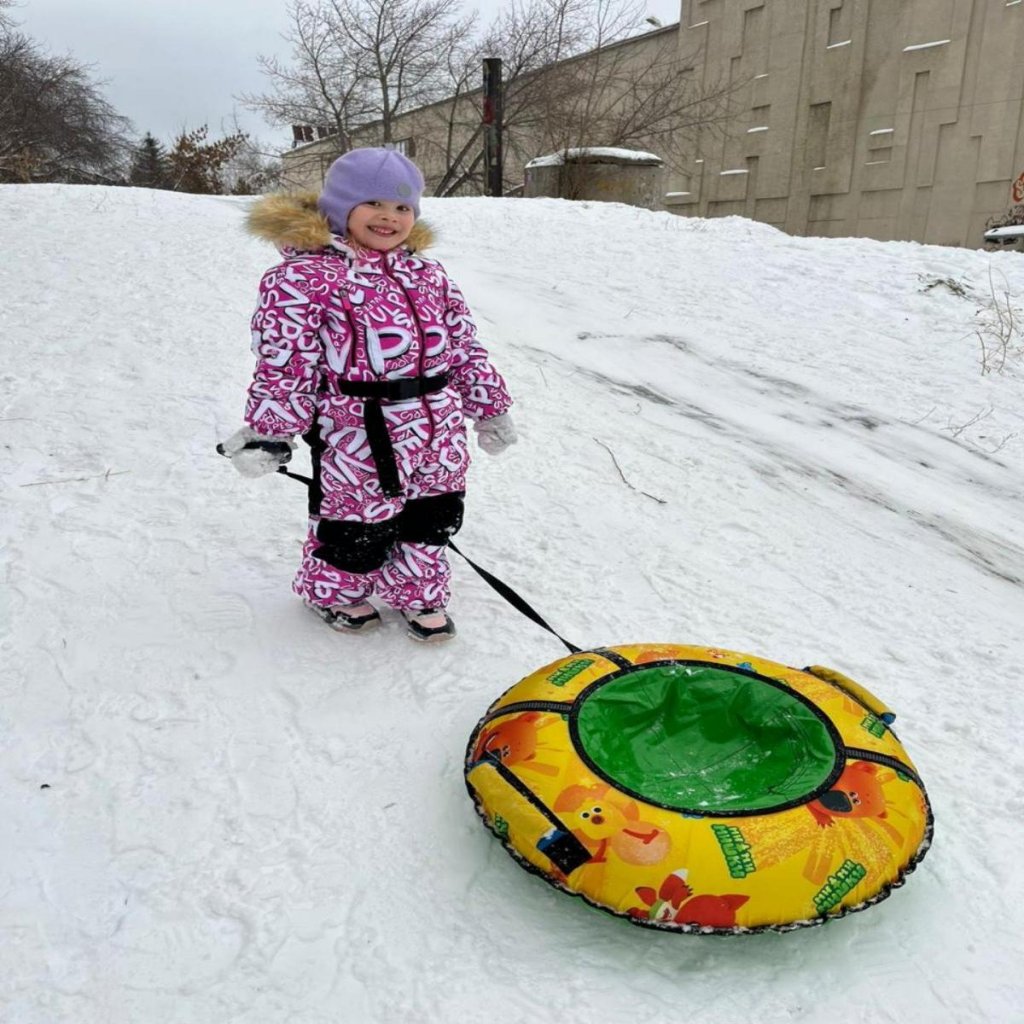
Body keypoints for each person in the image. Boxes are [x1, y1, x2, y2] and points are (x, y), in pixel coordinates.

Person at [219, 148, 516, 641]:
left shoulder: (429, 276)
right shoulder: (301, 278)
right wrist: (271, 433)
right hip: (359, 426)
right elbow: (286, 362)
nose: (389, 217)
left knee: (434, 514)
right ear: (340, 207)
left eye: (403, 207)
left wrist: (489, 407)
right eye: (373, 203)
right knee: (357, 523)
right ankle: (337, 592)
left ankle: (418, 593)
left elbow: (463, 345)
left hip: (438, 425)